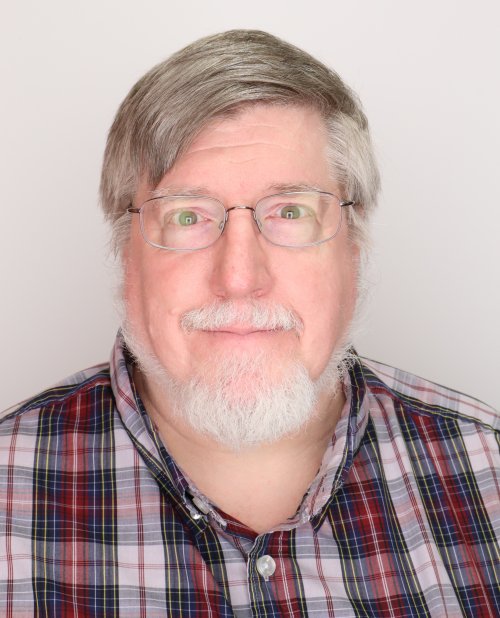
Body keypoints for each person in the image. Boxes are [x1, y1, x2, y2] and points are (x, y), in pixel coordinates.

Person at [0, 29, 498, 617]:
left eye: (290, 211)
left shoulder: (488, 468)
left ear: (354, 250)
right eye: (188, 216)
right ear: (124, 256)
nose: (239, 277)